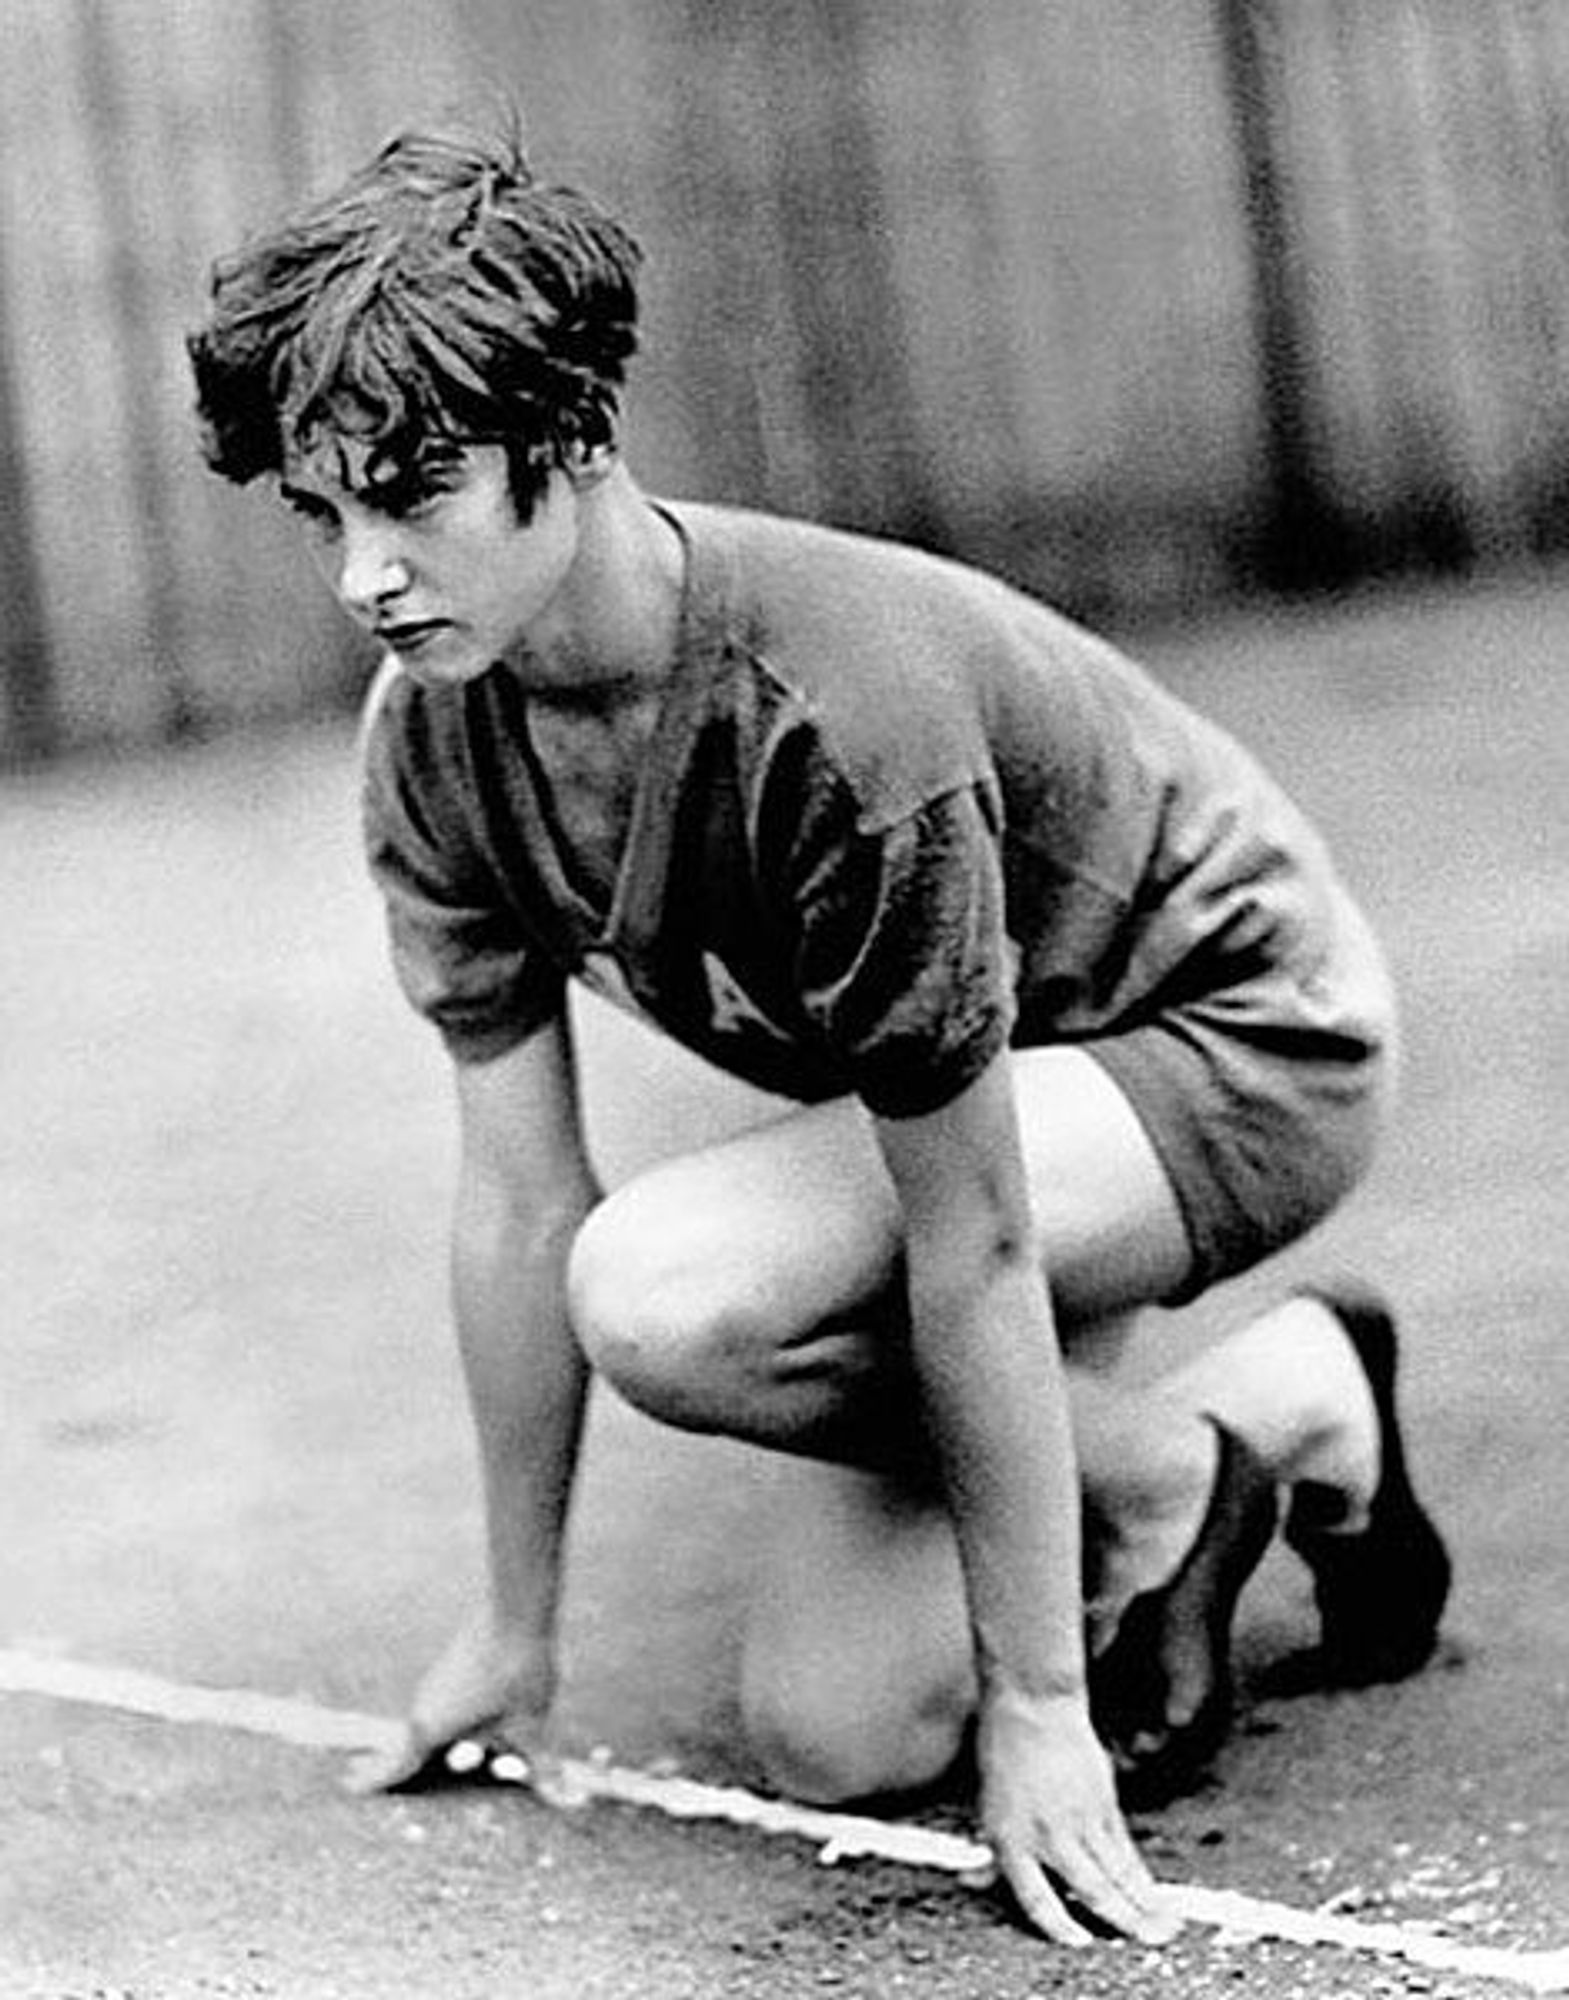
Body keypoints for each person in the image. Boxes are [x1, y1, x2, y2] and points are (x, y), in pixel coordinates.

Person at [187, 118, 1450, 1950]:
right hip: (1000, 1102)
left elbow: (978, 1230)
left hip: (1232, 1043)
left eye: (416, 492)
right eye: (324, 512)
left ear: (581, 437)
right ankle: (1261, 1422)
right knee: (844, 1733)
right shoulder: (433, 740)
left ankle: (1157, 1490)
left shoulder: (834, 712)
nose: (364, 572)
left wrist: (1045, 1709)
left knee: (673, 1296)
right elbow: (516, 1201)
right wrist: (516, 1625)